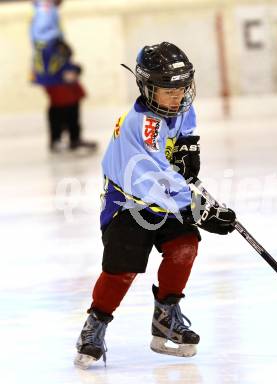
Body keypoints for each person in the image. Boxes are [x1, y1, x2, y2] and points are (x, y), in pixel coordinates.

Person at [74, 42, 236, 369]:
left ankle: (166, 317)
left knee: (185, 246)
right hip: (128, 203)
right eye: (169, 90)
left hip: (164, 199)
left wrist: (188, 144)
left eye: (183, 87)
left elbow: (183, 127)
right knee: (122, 270)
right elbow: (155, 184)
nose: (179, 96)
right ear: (148, 88)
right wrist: (200, 209)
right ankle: (95, 325)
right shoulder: (140, 124)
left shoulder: (178, 106)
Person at [30, 0, 97, 153]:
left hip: (54, 63)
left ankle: (69, 137)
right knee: (62, 100)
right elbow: (44, 39)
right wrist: (62, 62)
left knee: (71, 97)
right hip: (52, 65)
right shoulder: (45, 9)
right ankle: (60, 138)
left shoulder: (47, 8)